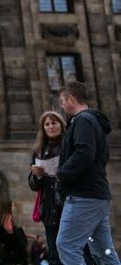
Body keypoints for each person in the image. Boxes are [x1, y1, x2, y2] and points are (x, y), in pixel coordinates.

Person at [55, 81, 120, 265]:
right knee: (103, 252)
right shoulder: (92, 122)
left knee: (66, 244)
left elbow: (84, 154)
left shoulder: (83, 121)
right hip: (96, 196)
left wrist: (61, 174)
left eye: (62, 101)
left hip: (84, 196)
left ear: (71, 99)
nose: (61, 105)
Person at [28, 111, 65, 265]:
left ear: (61, 125)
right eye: (47, 124)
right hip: (49, 208)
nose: (51, 126)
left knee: (74, 249)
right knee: (55, 253)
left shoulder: (69, 145)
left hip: (68, 203)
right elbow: (33, 185)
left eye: (54, 123)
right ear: (43, 128)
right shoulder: (38, 151)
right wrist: (37, 175)